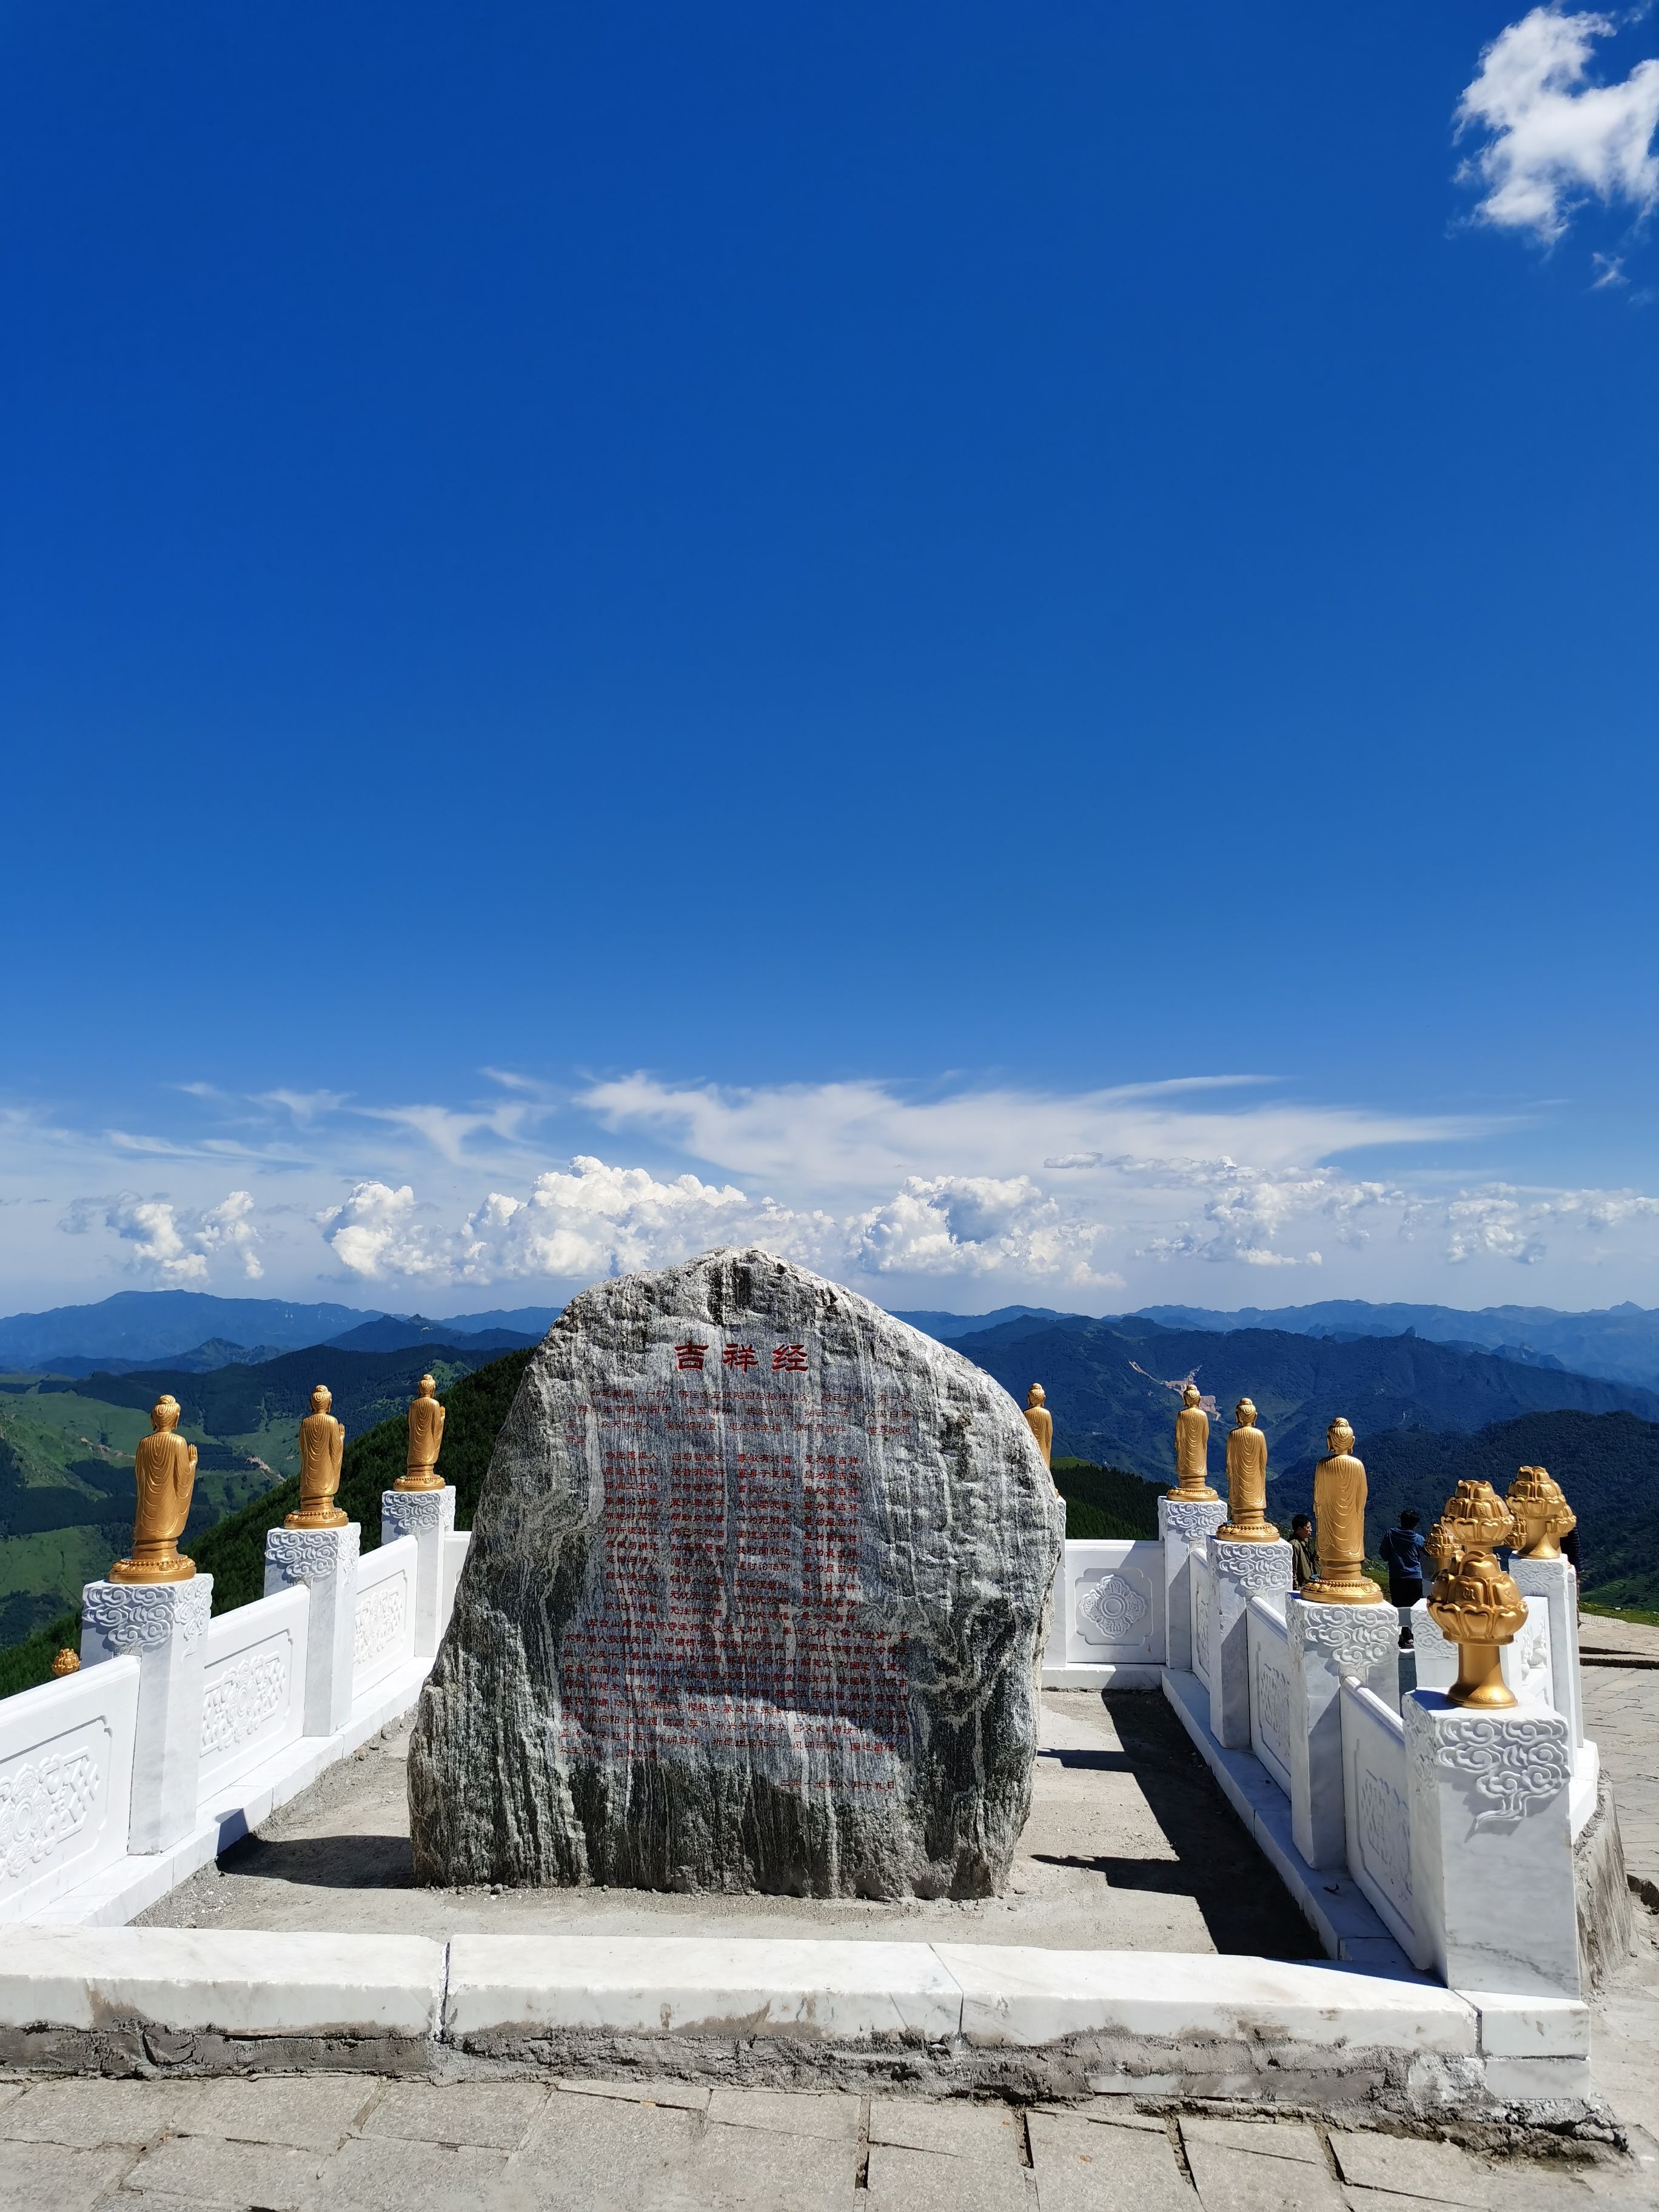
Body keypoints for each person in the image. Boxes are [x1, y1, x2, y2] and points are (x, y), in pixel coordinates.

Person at [1378, 1509, 1427, 1649]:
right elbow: (1426, 1555)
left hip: (1397, 1576)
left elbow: (1384, 1554)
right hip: (1415, 1578)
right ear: (1416, 1525)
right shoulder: (1419, 1539)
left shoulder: (1390, 1534)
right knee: (1415, 1608)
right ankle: (1416, 1636)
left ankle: (1402, 1636)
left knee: (1398, 1606)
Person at [1289, 1513, 1317, 1590]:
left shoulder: (1305, 1542)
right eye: (1308, 1528)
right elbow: (1293, 1571)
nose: (1311, 1530)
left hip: (1310, 1586)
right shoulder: (1294, 1545)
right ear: (1299, 1529)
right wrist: (1297, 1589)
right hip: (1302, 1588)